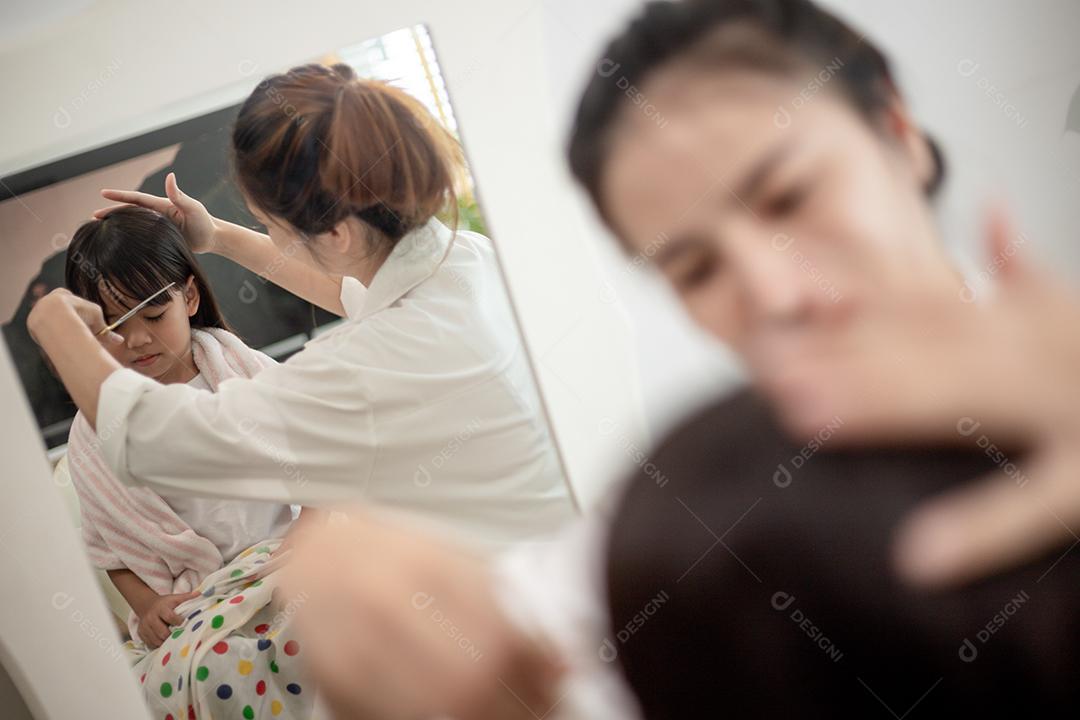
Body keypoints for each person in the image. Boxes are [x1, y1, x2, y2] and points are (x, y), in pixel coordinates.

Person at [275, 1, 1080, 717]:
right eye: (695, 267)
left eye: (791, 197)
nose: (774, 294)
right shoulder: (705, 515)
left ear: (898, 133)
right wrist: (371, 595)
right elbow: (529, 619)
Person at [28, 62, 576, 552]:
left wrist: (61, 332)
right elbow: (347, 290)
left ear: (335, 233)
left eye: (270, 225)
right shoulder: (466, 259)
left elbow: (162, 442)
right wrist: (215, 234)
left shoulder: (364, 369)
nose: (269, 233)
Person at [62, 206, 315, 718]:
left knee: (329, 627)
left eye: (153, 316)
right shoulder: (94, 435)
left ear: (190, 297)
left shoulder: (243, 371)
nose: (136, 341)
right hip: (202, 600)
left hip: (289, 560)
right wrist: (147, 606)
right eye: (113, 327)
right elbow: (109, 552)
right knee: (219, 666)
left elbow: (321, 464)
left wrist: (311, 539)